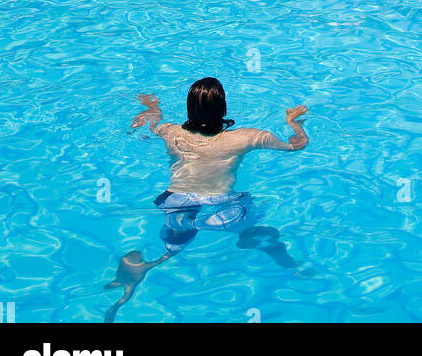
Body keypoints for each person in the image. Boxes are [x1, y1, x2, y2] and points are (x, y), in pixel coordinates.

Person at [103, 78, 307, 321]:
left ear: (189, 108)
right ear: (224, 108)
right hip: (223, 206)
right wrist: (293, 124)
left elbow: (151, 124)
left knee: (172, 247)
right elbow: (296, 146)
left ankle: (135, 277)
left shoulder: (170, 132)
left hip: (177, 201)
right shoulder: (248, 137)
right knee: (264, 233)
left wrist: (152, 107)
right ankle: (292, 269)